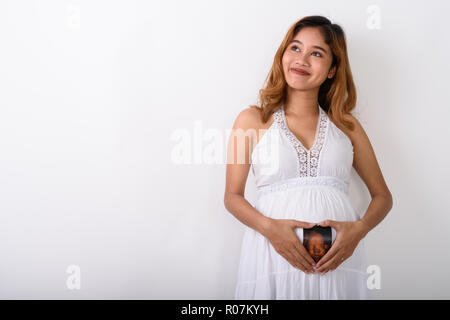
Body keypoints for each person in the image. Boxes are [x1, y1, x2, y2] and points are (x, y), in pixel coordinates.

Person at [223, 15, 393, 299]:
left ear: (331, 70)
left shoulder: (347, 126)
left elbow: (383, 196)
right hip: (272, 255)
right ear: (283, 55)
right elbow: (232, 196)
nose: (302, 60)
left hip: (338, 263)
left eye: (317, 53)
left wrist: (358, 231)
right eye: (296, 48)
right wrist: (271, 230)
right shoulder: (252, 120)